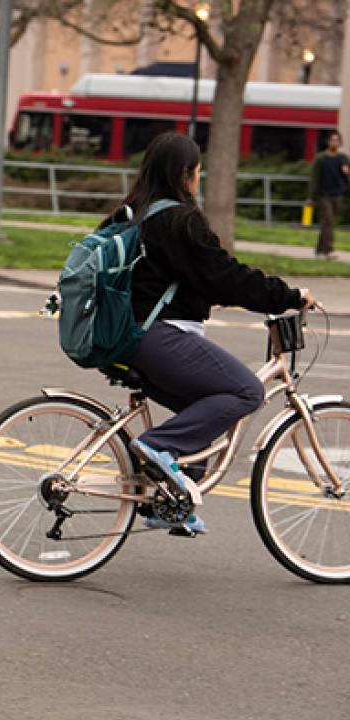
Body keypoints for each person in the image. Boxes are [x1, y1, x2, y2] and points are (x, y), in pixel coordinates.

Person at [104, 132, 318, 535]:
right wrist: (289, 295)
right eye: (197, 171)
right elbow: (226, 278)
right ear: (186, 174)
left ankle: (168, 502)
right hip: (161, 337)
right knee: (245, 393)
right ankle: (158, 447)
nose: (198, 178)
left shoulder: (136, 213)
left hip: (131, 338)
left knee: (211, 406)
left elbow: (192, 279)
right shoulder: (179, 221)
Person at [307, 130, 348, 261]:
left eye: (337, 140)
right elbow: (314, 179)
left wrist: (346, 173)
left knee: (328, 223)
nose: (335, 142)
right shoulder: (321, 159)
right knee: (328, 221)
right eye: (333, 140)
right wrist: (310, 197)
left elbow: (347, 178)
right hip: (323, 194)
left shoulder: (343, 159)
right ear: (328, 142)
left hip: (337, 194)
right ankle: (329, 250)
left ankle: (320, 250)